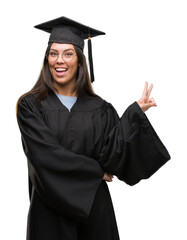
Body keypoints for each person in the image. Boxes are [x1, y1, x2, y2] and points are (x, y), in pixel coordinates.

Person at [16, 16, 170, 240]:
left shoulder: (100, 109)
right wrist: (96, 172)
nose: (59, 60)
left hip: (95, 216)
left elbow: (114, 155)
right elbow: (45, 158)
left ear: (79, 60)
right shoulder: (31, 106)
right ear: (46, 59)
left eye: (68, 53)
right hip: (49, 218)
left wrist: (133, 116)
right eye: (53, 53)